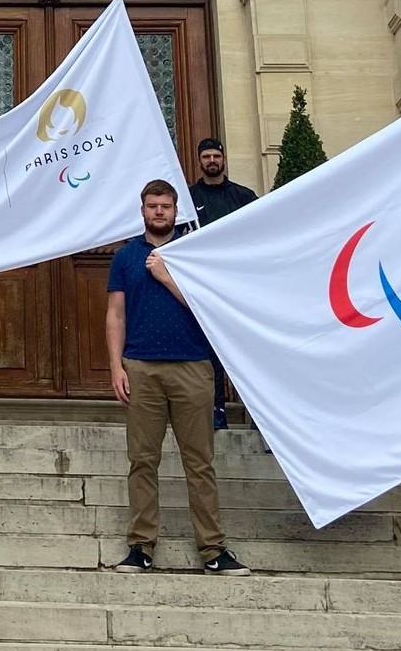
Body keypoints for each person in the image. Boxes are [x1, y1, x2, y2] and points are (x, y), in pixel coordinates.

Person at [106, 179, 250, 576]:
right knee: (142, 461)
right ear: (142, 210)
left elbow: (209, 307)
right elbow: (115, 315)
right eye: (152, 205)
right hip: (142, 368)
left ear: (176, 211)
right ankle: (141, 547)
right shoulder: (125, 257)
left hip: (192, 367)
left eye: (165, 206)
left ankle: (213, 549)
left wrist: (167, 275)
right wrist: (117, 366)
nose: (158, 212)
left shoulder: (194, 254)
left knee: (199, 462)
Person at [186, 137, 256, 429]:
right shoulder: (188, 200)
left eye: (216, 156)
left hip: (241, 286)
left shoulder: (243, 196)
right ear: (199, 161)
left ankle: (256, 414)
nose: (212, 161)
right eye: (207, 157)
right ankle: (217, 411)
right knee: (209, 350)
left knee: (247, 351)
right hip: (203, 288)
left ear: (223, 159)